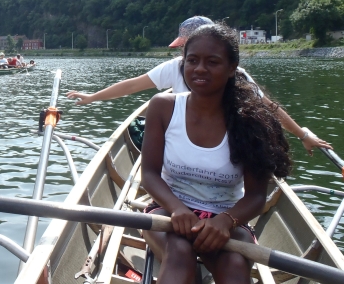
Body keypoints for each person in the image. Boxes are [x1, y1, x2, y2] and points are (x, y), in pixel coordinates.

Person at [141, 23, 291, 283]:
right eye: (192, 60)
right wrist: (177, 209)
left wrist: (226, 220)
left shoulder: (251, 120)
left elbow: (256, 196)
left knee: (234, 266)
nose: (200, 69)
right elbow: (149, 175)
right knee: (179, 252)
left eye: (212, 62)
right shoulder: (162, 107)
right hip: (169, 210)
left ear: (232, 68)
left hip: (228, 217)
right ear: (183, 64)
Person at [66, 16, 331, 155]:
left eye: (211, 58)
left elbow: (267, 107)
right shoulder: (176, 67)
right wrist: (92, 97)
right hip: (181, 144)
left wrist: (303, 135)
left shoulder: (236, 75)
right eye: (188, 53)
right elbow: (131, 85)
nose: (196, 64)